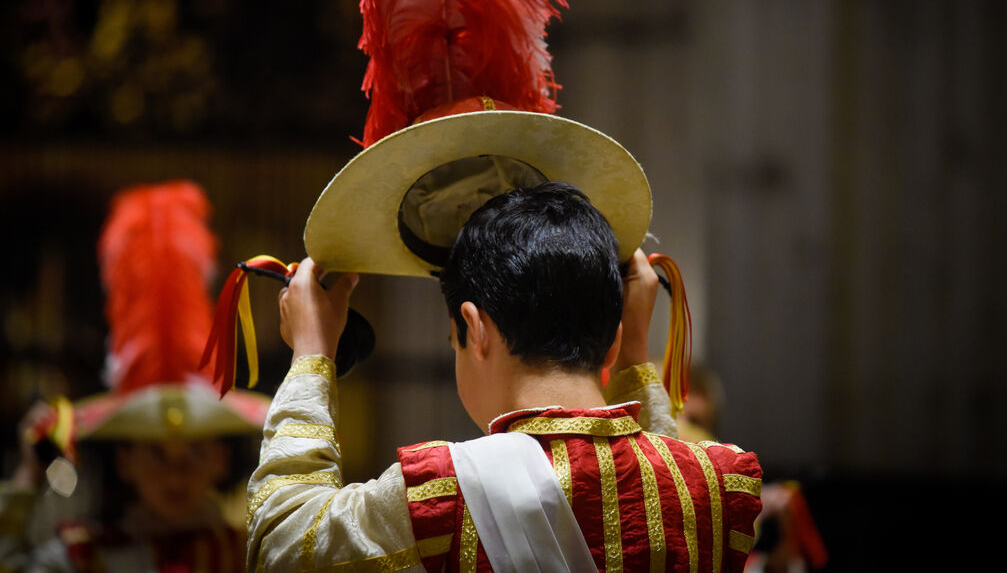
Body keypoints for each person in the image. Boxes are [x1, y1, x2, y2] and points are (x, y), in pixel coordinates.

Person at [247, 182, 762, 572]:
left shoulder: (441, 492)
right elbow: (656, 486)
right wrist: (634, 357)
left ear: (473, 327)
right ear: (613, 337)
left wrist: (311, 356)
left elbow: (280, 543)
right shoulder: (719, 484)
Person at [0, 181, 268, 572]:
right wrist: (28, 476)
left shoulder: (254, 556)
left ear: (221, 460)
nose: (175, 475)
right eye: (156, 454)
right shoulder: (85, 556)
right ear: (126, 462)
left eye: (195, 453)